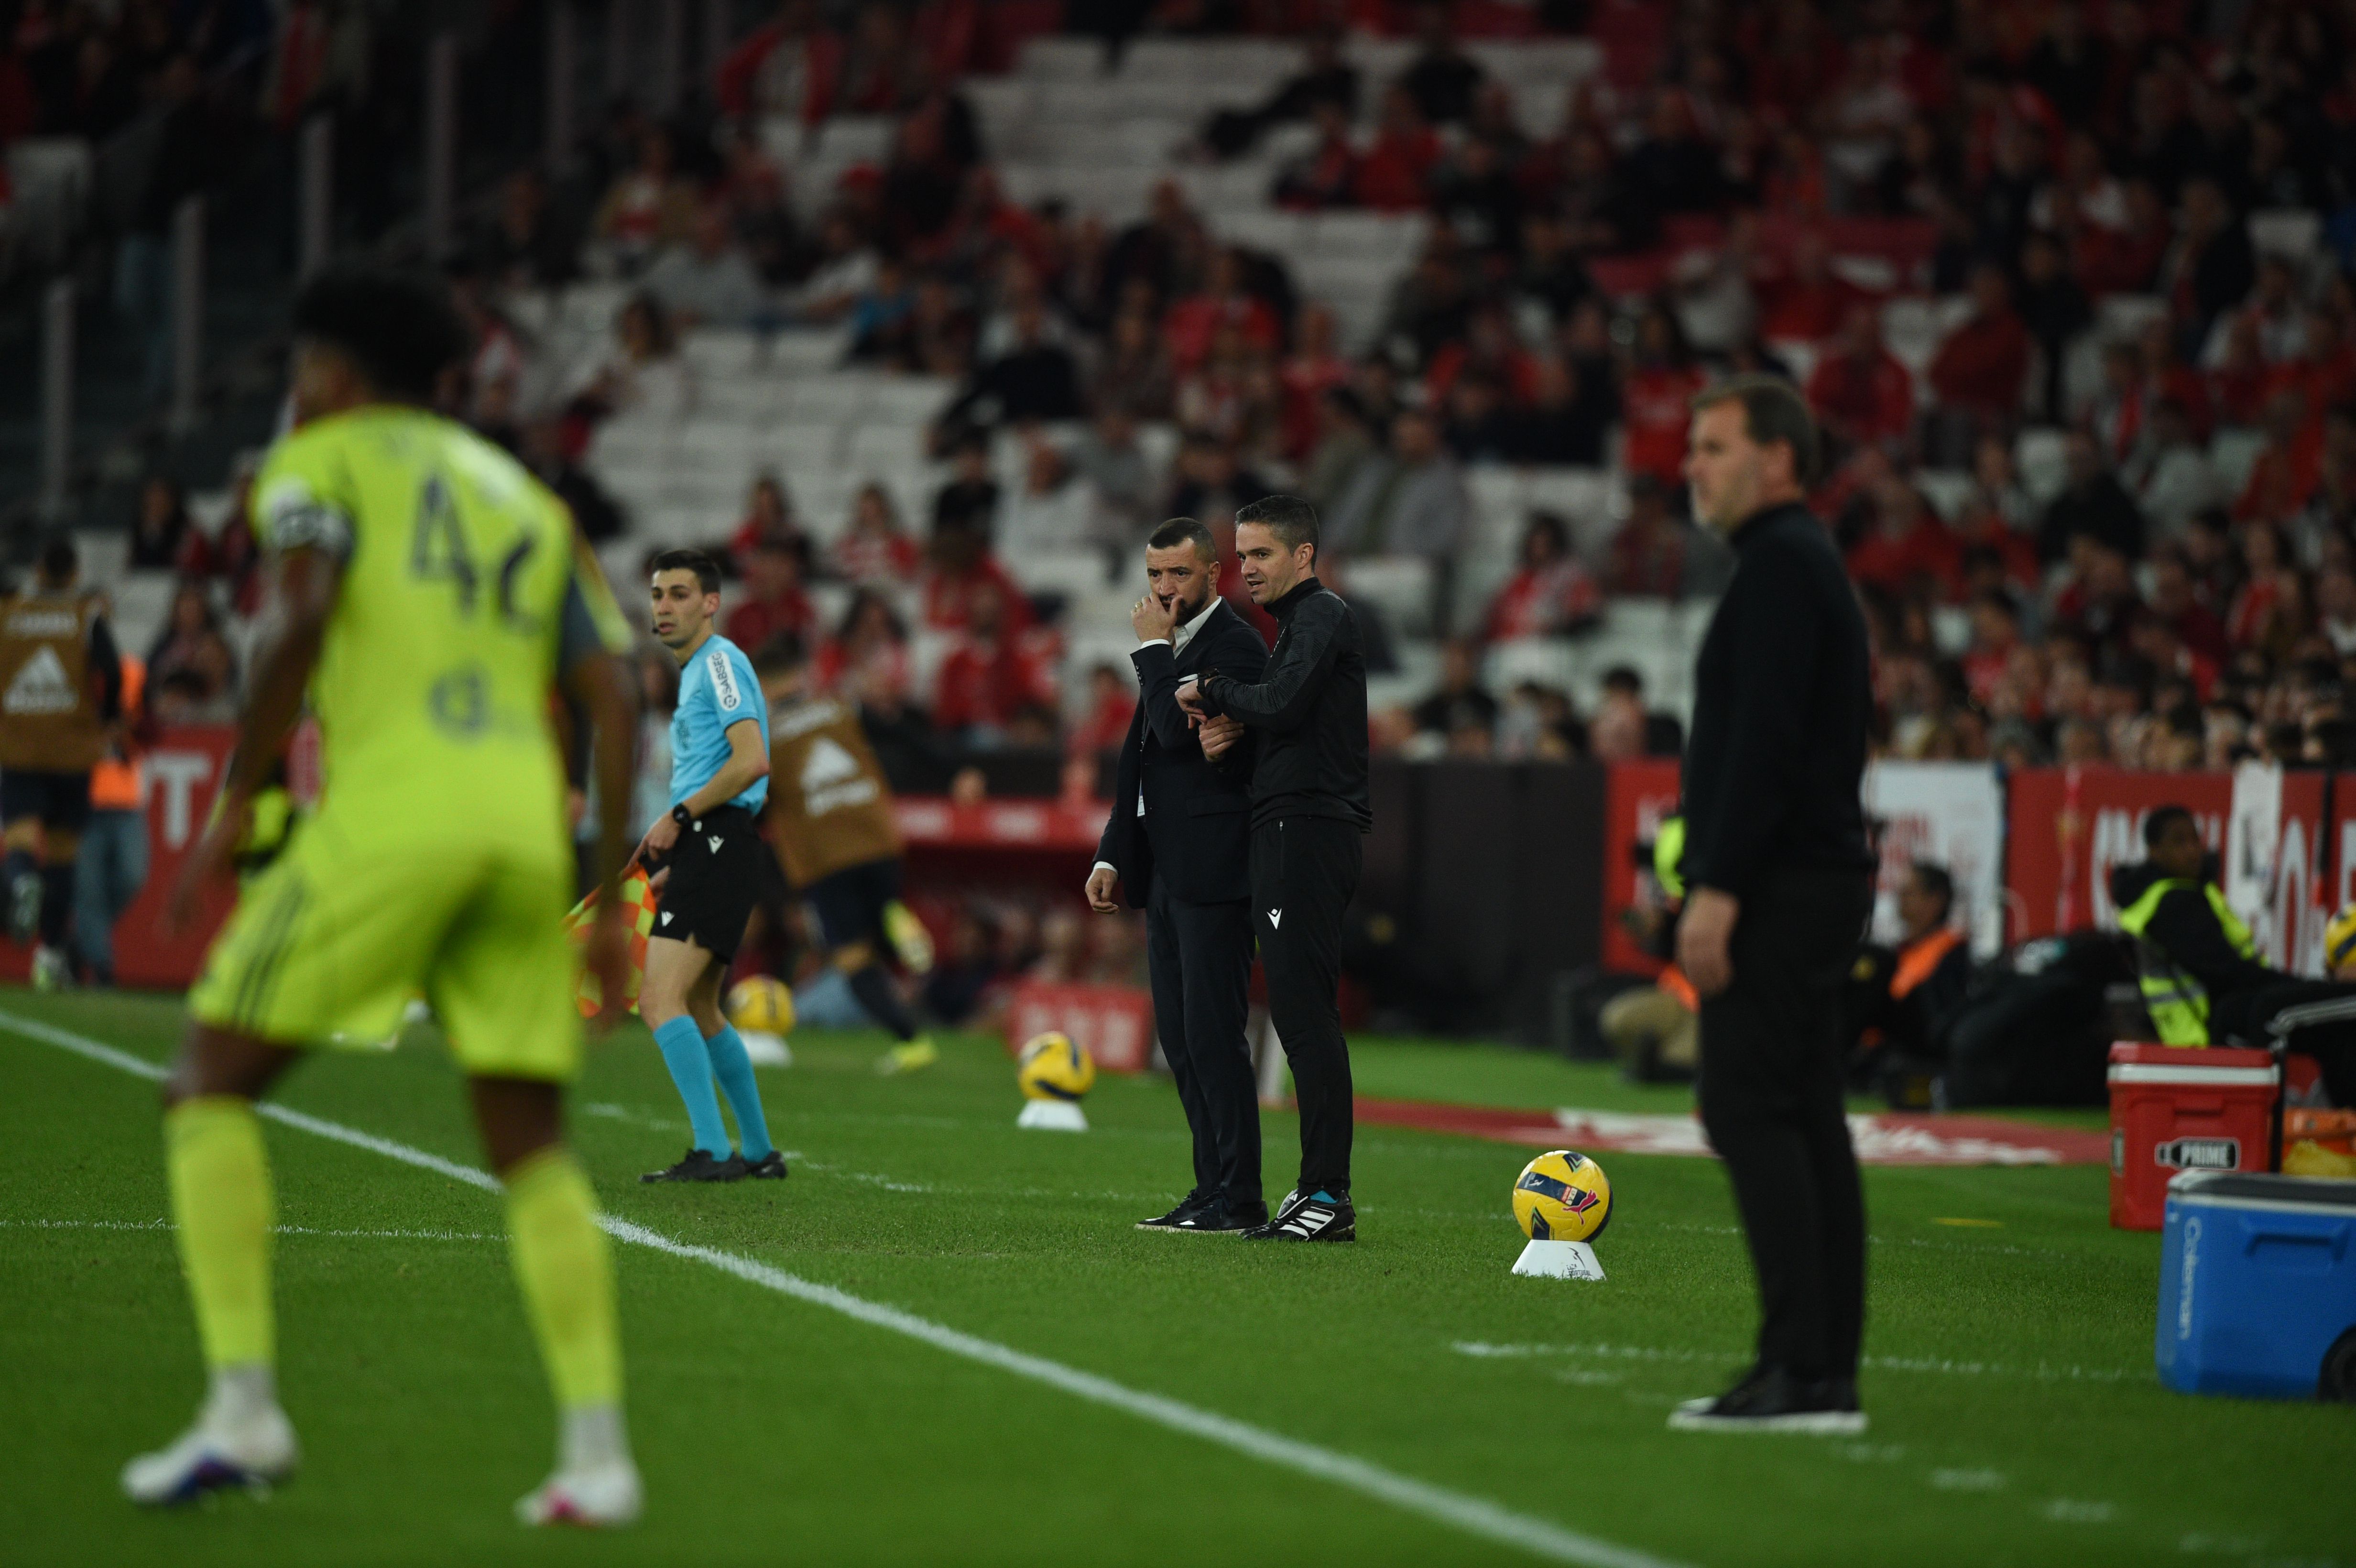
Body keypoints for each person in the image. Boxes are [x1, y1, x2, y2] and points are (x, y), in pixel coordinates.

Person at [129, 265, 645, 1522]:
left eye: (304, 369)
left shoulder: (321, 466)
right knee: (529, 1143)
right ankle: (596, 1455)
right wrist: (611, 895)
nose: (298, 391)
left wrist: (243, 798)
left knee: (207, 1084)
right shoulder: (526, 497)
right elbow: (617, 696)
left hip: (394, 816)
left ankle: (243, 1412)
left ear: (336, 375)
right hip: (521, 829)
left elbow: (298, 612)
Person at [1669, 376, 1875, 1434]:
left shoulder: (1782, 571)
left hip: (1784, 881)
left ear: (1779, 459)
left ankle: (1797, 1365)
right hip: (1816, 874)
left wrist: (1718, 885)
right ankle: (1818, 1369)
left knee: (1752, 1107)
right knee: (1804, 1113)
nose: (1691, 466)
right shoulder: (1794, 565)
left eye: (1713, 446)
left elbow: (1763, 749)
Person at [1179, 495, 1371, 1242]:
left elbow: (1283, 703)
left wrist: (1217, 693)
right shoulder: (1299, 626)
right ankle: (1317, 1190)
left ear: (1303, 557)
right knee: (1295, 1010)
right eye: (1242, 554)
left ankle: (1328, 1194)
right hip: (1291, 824)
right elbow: (1290, 716)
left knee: (1304, 1012)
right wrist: (1237, 736)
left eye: (1260, 554)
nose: (1246, 568)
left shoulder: (1321, 615)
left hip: (1308, 828)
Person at [1087, 517, 1271, 1233]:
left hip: (1217, 869)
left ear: (1214, 575)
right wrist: (1111, 852)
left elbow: (1170, 729)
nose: (1164, 589)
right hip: (1167, 870)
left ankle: (1242, 1196)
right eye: (1155, 574)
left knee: (1215, 1036)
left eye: (1179, 575)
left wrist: (1152, 654)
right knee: (1182, 1040)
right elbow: (1143, 760)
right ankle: (1210, 1188)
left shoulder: (1235, 646)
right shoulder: (1171, 650)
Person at [633, 549, 786, 1184]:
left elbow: (751, 759)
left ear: (711, 603)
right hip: (717, 845)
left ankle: (712, 1151)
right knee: (699, 1005)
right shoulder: (700, 670)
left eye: (678, 594)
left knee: (658, 998)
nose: (663, 607)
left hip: (718, 836)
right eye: (657, 595)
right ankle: (756, 1150)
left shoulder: (718, 663)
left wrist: (683, 818)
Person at [752, 634, 940, 1076]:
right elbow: (905, 735)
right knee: (880, 922)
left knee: (853, 957)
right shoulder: (839, 706)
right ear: (800, 675)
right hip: (877, 839)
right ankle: (898, 922)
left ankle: (911, 1043)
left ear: (761, 684)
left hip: (825, 856)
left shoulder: (762, 734)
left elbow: (757, 801)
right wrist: (955, 772)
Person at [2111, 806, 2356, 1106]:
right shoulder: (2173, 903)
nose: (2192, 852)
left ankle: (2331, 1111)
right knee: (2279, 1011)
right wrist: (2302, 987)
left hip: (2206, 1026)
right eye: (2179, 842)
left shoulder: (2163, 897)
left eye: (2195, 841)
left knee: (2323, 1024)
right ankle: (2277, 1115)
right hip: (2209, 1029)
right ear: (2154, 852)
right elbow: (2227, 971)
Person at [1, 535, 126, 991]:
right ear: (74, 573)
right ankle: (51, 952)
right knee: (62, 852)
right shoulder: (85, 616)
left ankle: (18, 883)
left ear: (37, 571)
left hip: (18, 746)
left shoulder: (9, 614)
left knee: (17, 835)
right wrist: (110, 717)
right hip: (72, 750)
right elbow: (111, 670)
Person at [75, 653, 149, 987]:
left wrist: (128, 730)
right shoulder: (70, 671)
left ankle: (80, 943)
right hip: (81, 798)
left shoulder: (132, 671)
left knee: (133, 875)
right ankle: (103, 969)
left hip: (124, 796)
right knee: (88, 890)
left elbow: (151, 727)